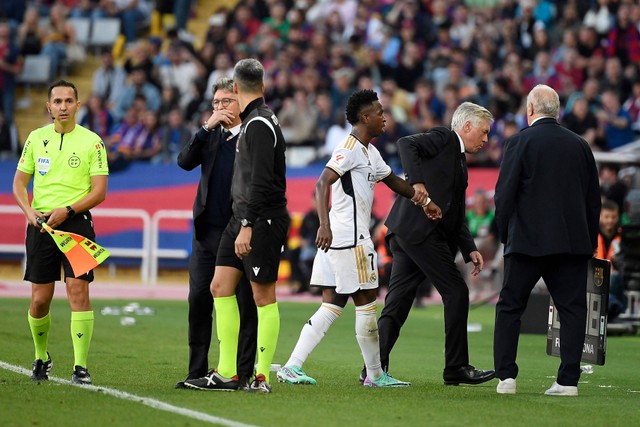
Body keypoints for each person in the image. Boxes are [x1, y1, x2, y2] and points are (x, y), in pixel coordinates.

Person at [276, 89, 433, 387]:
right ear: (365, 117)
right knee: (366, 304)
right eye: (379, 113)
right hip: (349, 238)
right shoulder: (348, 148)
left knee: (332, 306)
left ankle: (292, 366)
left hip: (342, 238)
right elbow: (323, 182)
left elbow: (393, 181)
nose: (384, 118)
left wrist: (424, 201)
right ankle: (374, 375)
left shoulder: (369, 151)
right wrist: (323, 224)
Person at [184, 58, 289, 393]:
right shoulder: (258, 119)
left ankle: (260, 377)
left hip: (259, 221)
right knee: (218, 287)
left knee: (262, 296)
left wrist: (247, 225)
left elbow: (259, 181)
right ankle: (227, 371)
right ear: (262, 85)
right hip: (238, 219)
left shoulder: (258, 124)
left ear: (238, 90)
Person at [376, 101, 496, 386]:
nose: (486, 139)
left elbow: (455, 212)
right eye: (484, 131)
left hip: (409, 233)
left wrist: (469, 248)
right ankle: (455, 367)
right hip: (421, 232)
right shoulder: (445, 138)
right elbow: (406, 144)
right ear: (466, 127)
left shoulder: (459, 156)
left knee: (398, 303)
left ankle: (373, 367)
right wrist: (417, 183)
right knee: (455, 291)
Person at [493, 84, 601, 396]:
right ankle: (568, 381)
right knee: (572, 310)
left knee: (510, 306)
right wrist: (589, 242)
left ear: (530, 110)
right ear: (557, 111)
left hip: (526, 241)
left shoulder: (519, 142)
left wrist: (504, 235)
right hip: (570, 244)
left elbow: (504, 195)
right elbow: (594, 201)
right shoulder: (580, 145)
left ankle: (507, 377)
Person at [12, 80, 109, 385]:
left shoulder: (93, 141)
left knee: (77, 290)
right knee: (40, 299)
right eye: (58, 101)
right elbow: (18, 184)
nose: (63, 106)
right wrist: (30, 213)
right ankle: (41, 357)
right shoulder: (36, 138)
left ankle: (81, 366)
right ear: (49, 106)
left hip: (76, 222)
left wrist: (67, 211)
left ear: (78, 106)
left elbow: (99, 192)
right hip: (41, 225)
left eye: (69, 101)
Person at [175, 77, 258, 390]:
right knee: (198, 300)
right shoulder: (209, 135)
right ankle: (196, 370)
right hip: (207, 233)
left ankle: (240, 371)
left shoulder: (253, 134)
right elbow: (183, 162)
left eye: (227, 101)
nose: (222, 108)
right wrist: (206, 127)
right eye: (217, 103)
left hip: (237, 233)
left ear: (240, 102)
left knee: (243, 303)